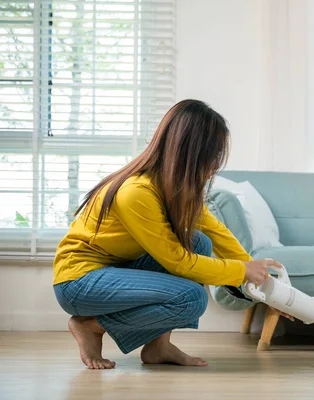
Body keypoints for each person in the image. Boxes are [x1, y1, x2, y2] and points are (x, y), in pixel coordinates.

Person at [53, 99, 289, 369]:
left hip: (115, 270)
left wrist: (269, 288)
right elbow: (177, 262)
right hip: (80, 281)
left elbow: (217, 233)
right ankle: (92, 326)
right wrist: (241, 271)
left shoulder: (176, 190)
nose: (214, 167)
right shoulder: (136, 192)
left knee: (198, 241)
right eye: (212, 157)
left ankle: (158, 346)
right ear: (193, 154)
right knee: (190, 298)